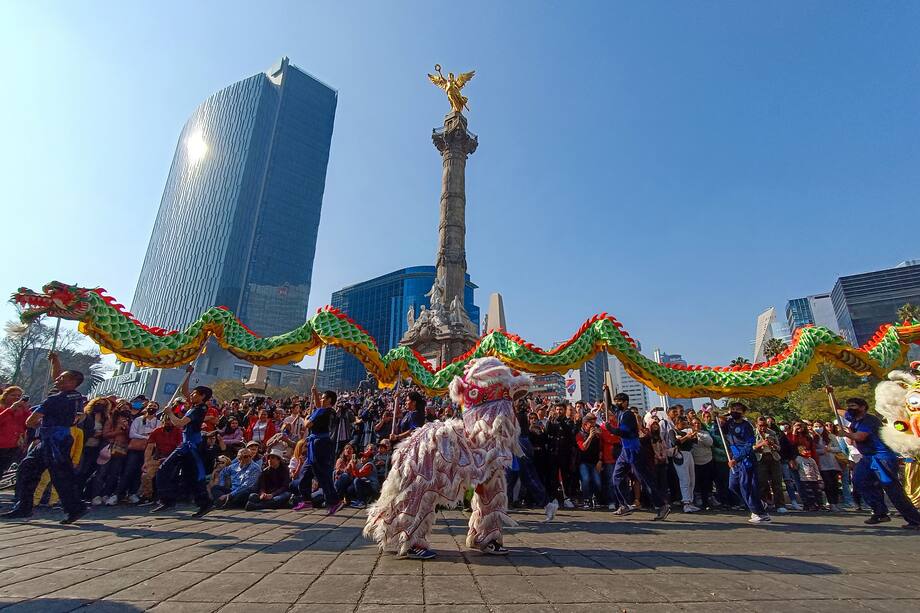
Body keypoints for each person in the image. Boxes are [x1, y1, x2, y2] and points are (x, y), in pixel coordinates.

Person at [2, 352, 88, 524]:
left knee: (60, 475)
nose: (57, 380)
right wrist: (55, 361)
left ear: (72, 382)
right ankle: (23, 507)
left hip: (53, 440)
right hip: (60, 438)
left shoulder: (53, 400)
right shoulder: (77, 396)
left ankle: (75, 507)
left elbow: (30, 421)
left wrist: (37, 423)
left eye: (62, 379)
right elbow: (58, 376)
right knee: (27, 468)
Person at [827, 387, 920, 529]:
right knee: (859, 481)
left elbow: (860, 436)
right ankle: (880, 512)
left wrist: (846, 434)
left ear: (863, 407)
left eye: (853, 406)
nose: (850, 408)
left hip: (882, 457)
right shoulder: (853, 417)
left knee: (892, 488)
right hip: (868, 458)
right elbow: (837, 409)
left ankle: (915, 520)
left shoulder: (869, 420)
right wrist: (830, 394)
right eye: (849, 406)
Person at [151, 365, 213, 518]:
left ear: (202, 396)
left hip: (192, 447)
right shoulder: (195, 405)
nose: (191, 395)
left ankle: (203, 502)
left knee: (193, 475)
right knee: (167, 470)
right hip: (186, 445)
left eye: (194, 393)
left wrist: (170, 413)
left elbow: (179, 423)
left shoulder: (199, 409)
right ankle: (168, 499)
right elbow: (184, 392)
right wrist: (188, 375)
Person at [604, 386, 669, 520]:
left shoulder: (628, 415)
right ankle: (624, 505)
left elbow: (624, 432)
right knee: (616, 478)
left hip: (634, 450)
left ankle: (662, 505)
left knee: (645, 479)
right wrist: (607, 391)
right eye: (616, 402)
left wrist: (610, 429)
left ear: (625, 402)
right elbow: (609, 405)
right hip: (625, 451)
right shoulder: (619, 412)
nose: (616, 404)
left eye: (619, 402)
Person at [292, 386, 345, 515]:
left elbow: (308, 425)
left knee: (322, 474)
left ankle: (334, 501)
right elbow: (317, 406)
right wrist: (315, 393)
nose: (320, 400)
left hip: (320, 445)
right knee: (305, 473)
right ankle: (306, 500)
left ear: (329, 400)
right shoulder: (323, 411)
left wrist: (305, 418)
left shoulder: (326, 412)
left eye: (322, 398)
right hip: (314, 444)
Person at [723, 402, 771, 523]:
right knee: (733, 486)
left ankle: (759, 512)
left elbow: (749, 445)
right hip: (734, 459)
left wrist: (737, 458)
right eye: (732, 409)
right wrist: (716, 418)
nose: (734, 411)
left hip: (745, 459)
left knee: (747, 486)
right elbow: (719, 429)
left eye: (738, 410)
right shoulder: (729, 423)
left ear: (743, 412)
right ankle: (757, 504)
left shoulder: (747, 426)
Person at [754, 416, 787, 514]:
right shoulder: (752, 433)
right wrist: (761, 444)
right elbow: (751, 447)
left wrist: (773, 445)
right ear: (757, 425)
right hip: (760, 458)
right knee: (762, 482)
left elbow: (779, 448)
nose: (763, 427)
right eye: (761, 425)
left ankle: (780, 505)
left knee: (777, 482)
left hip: (773, 458)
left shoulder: (772, 433)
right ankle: (763, 503)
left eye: (765, 425)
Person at [669, 415, 700, 513]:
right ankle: (686, 502)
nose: (684, 425)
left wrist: (693, 433)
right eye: (682, 423)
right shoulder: (672, 431)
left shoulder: (685, 431)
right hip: (680, 455)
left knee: (691, 479)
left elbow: (695, 442)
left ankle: (690, 501)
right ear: (677, 423)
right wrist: (686, 437)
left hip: (689, 454)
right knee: (684, 479)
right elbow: (675, 442)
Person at [812, 419, 843, 512]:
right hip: (822, 464)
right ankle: (831, 503)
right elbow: (813, 451)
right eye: (816, 426)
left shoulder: (831, 436)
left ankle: (836, 503)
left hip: (833, 463)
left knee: (835, 484)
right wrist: (821, 451)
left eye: (820, 426)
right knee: (828, 484)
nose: (818, 428)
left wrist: (830, 449)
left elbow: (839, 448)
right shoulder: (812, 438)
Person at [575, 413, 602, 509]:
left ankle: (595, 499)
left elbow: (600, 448)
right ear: (585, 424)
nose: (593, 425)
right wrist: (590, 436)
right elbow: (583, 447)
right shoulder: (579, 434)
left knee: (597, 482)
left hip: (594, 462)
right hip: (583, 462)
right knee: (585, 480)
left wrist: (600, 460)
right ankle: (586, 499)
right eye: (590, 422)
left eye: (594, 422)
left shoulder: (597, 434)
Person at [0, 386, 29, 477]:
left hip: (13, 447)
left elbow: (28, 423)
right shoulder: (2, 408)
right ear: (5, 396)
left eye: (19, 396)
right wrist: (10, 409)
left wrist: (25, 410)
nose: (16, 398)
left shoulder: (21, 411)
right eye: (13, 395)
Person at [689, 417, 714, 510]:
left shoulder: (705, 433)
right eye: (694, 423)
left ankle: (706, 502)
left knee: (706, 483)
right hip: (695, 462)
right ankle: (695, 500)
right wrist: (691, 435)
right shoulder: (688, 433)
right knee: (695, 483)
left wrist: (699, 435)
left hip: (706, 461)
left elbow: (710, 443)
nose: (696, 425)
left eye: (698, 423)